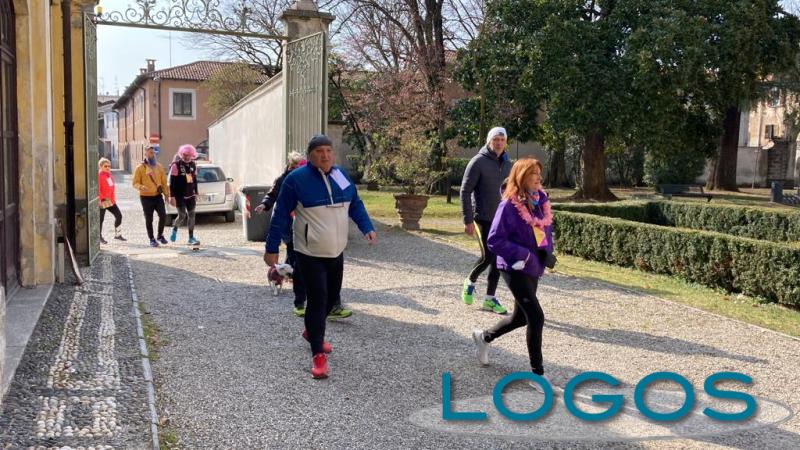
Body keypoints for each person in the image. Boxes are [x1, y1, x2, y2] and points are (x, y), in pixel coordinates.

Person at [264, 134, 376, 379]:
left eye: (328, 150)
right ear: (310, 155)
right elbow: (280, 214)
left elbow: (355, 203)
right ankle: (318, 354)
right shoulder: (296, 179)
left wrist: (366, 226)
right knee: (318, 298)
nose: (325, 156)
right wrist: (271, 247)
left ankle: (312, 331)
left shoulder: (341, 175)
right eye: (319, 151)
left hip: (336, 250)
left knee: (332, 298)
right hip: (309, 251)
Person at [471, 157, 555, 389]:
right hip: (513, 267)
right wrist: (524, 255)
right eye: (533, 174)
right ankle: (538, 374)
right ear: (521, 176)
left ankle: (483, 337)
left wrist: (547, 253)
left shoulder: (541, 201)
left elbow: (544, 231)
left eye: (539, 173)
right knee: (536, 316)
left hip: (533, 267)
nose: (538, 178)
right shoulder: (508, 205)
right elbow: (494, 240)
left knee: (521, 317)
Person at [256, 152, 352, 319]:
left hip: (321, 233)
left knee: (328, 270)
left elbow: (350, 196)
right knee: (299, 266)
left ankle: (333, 305)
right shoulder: (287, 179)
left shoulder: (332, 174)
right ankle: (299, 302)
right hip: (294, 229)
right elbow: (274, 199)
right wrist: (265, 205)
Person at [459, 127, 513, 314]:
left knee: (498, 259)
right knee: (488, 256)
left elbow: (512, 193)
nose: (499, 143)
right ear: (489, 141)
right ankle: (470, 281)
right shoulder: (478, 162)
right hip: (481, 217)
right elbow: (465, 191)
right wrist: (467, 219)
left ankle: (489, 299)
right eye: (495, 139)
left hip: (501, 220)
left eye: (502, 140)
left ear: (506, 142)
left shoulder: (508, 165)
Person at [132, 146, 170, 247]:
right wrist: (141, 187)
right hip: (145, 197)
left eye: (153, 153)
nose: (152, 154)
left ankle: (160, 235)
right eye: (150, 153)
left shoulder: (159, 166)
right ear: (145, 154)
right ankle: (151, 239)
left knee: (163, 215)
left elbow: (164, 182)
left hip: (157, 196)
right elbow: (135, 183)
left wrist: (166, 195)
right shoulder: (140, 168)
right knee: (149, 218)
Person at [168, 144, 200, 245]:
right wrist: (172, 197)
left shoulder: (193, 165)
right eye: (184, 155)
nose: (186, 157)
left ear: (192, 155)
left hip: (190, 194)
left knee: (192, 215)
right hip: (179, 195)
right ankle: (174, 229)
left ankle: (191, 238)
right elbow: (172, 183)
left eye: (188, 155)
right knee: (182, 215)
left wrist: (196, 192)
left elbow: (194, 180)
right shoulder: (175, 165)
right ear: (181, 154)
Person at [97, 157, 126, 244]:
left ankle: (118, 235)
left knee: (119, 215)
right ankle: (99, 237)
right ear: (100, 166)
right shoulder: (99, 175)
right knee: (100, 219)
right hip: (103, 200)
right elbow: (98, 189)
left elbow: (112, 189)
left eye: (109, 166)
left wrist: (113, 200)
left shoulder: (109, 175)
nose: (108, 168)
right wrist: (101, 199)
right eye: (105, 166)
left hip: (110, 200)